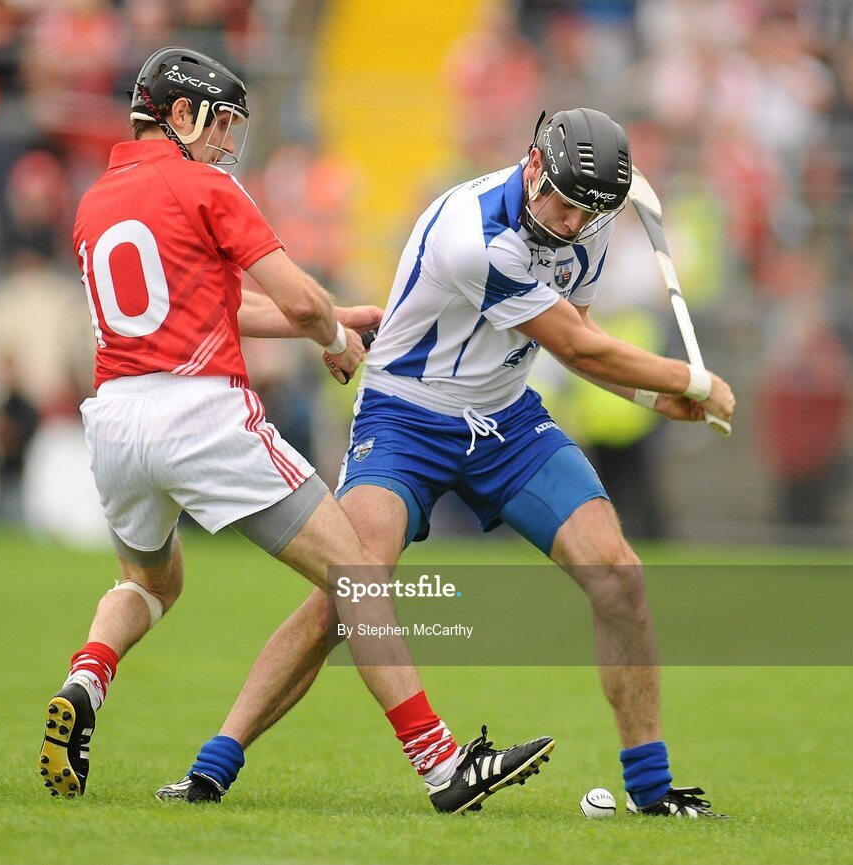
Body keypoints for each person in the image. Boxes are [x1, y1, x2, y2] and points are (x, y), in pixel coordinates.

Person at [159, 107, 736, 818]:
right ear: (532, 163)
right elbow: (579, 348)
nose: (565, 220)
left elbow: (576, 335)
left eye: (584, 211)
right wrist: (688, 380)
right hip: (405, 417)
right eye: (557, 198)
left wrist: (652, 394)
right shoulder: (473, 235)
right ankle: (213, 764)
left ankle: (652, 789)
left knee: (619, 575)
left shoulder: (590, 222)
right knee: (351, 591)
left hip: (509, 420)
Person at [39, 46, 554, 815]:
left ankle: (87, 675)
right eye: (219, 124)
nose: (226, 143)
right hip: (200, 413)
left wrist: (327, 321)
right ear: (179, 114)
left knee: (150, 580)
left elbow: (217, 309)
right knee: (357, 575)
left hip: (114, 422)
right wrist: (333, 334)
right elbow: (299, 296)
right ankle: (442, 764)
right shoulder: (207, 184)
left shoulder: (94, 201)